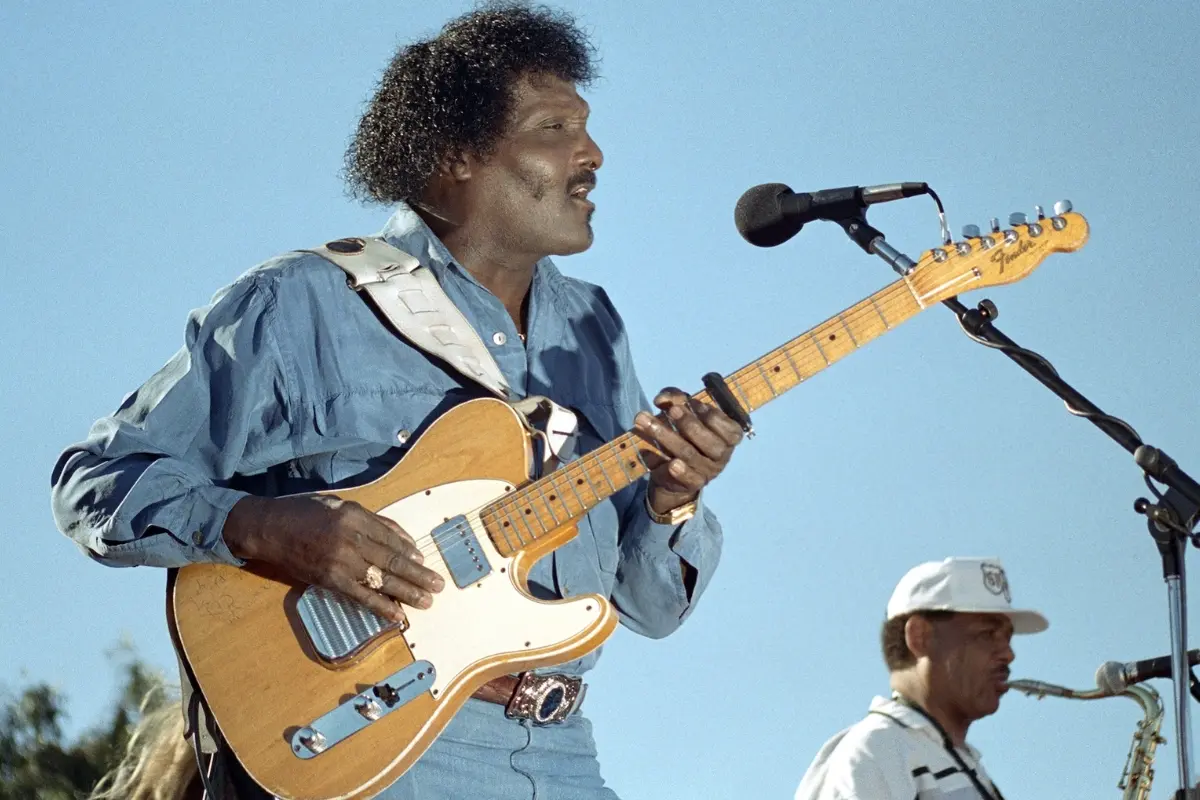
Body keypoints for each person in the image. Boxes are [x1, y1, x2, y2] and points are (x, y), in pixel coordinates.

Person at [50, 4, 743, 798]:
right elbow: (92, 482)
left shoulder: (593, 328)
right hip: (373, 742)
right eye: (555, 128)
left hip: (562, 756)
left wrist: (673, 500)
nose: (592, 154)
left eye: (585, 128)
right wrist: (265, 526)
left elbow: (649, 609)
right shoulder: (303, 303)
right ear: (455, 153)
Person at [794, 557, 1049, 800]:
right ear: (920, 637)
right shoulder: (876, 752)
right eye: (987, 634)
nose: (1008, 654)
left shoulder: (953, 761)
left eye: (1007, 637)